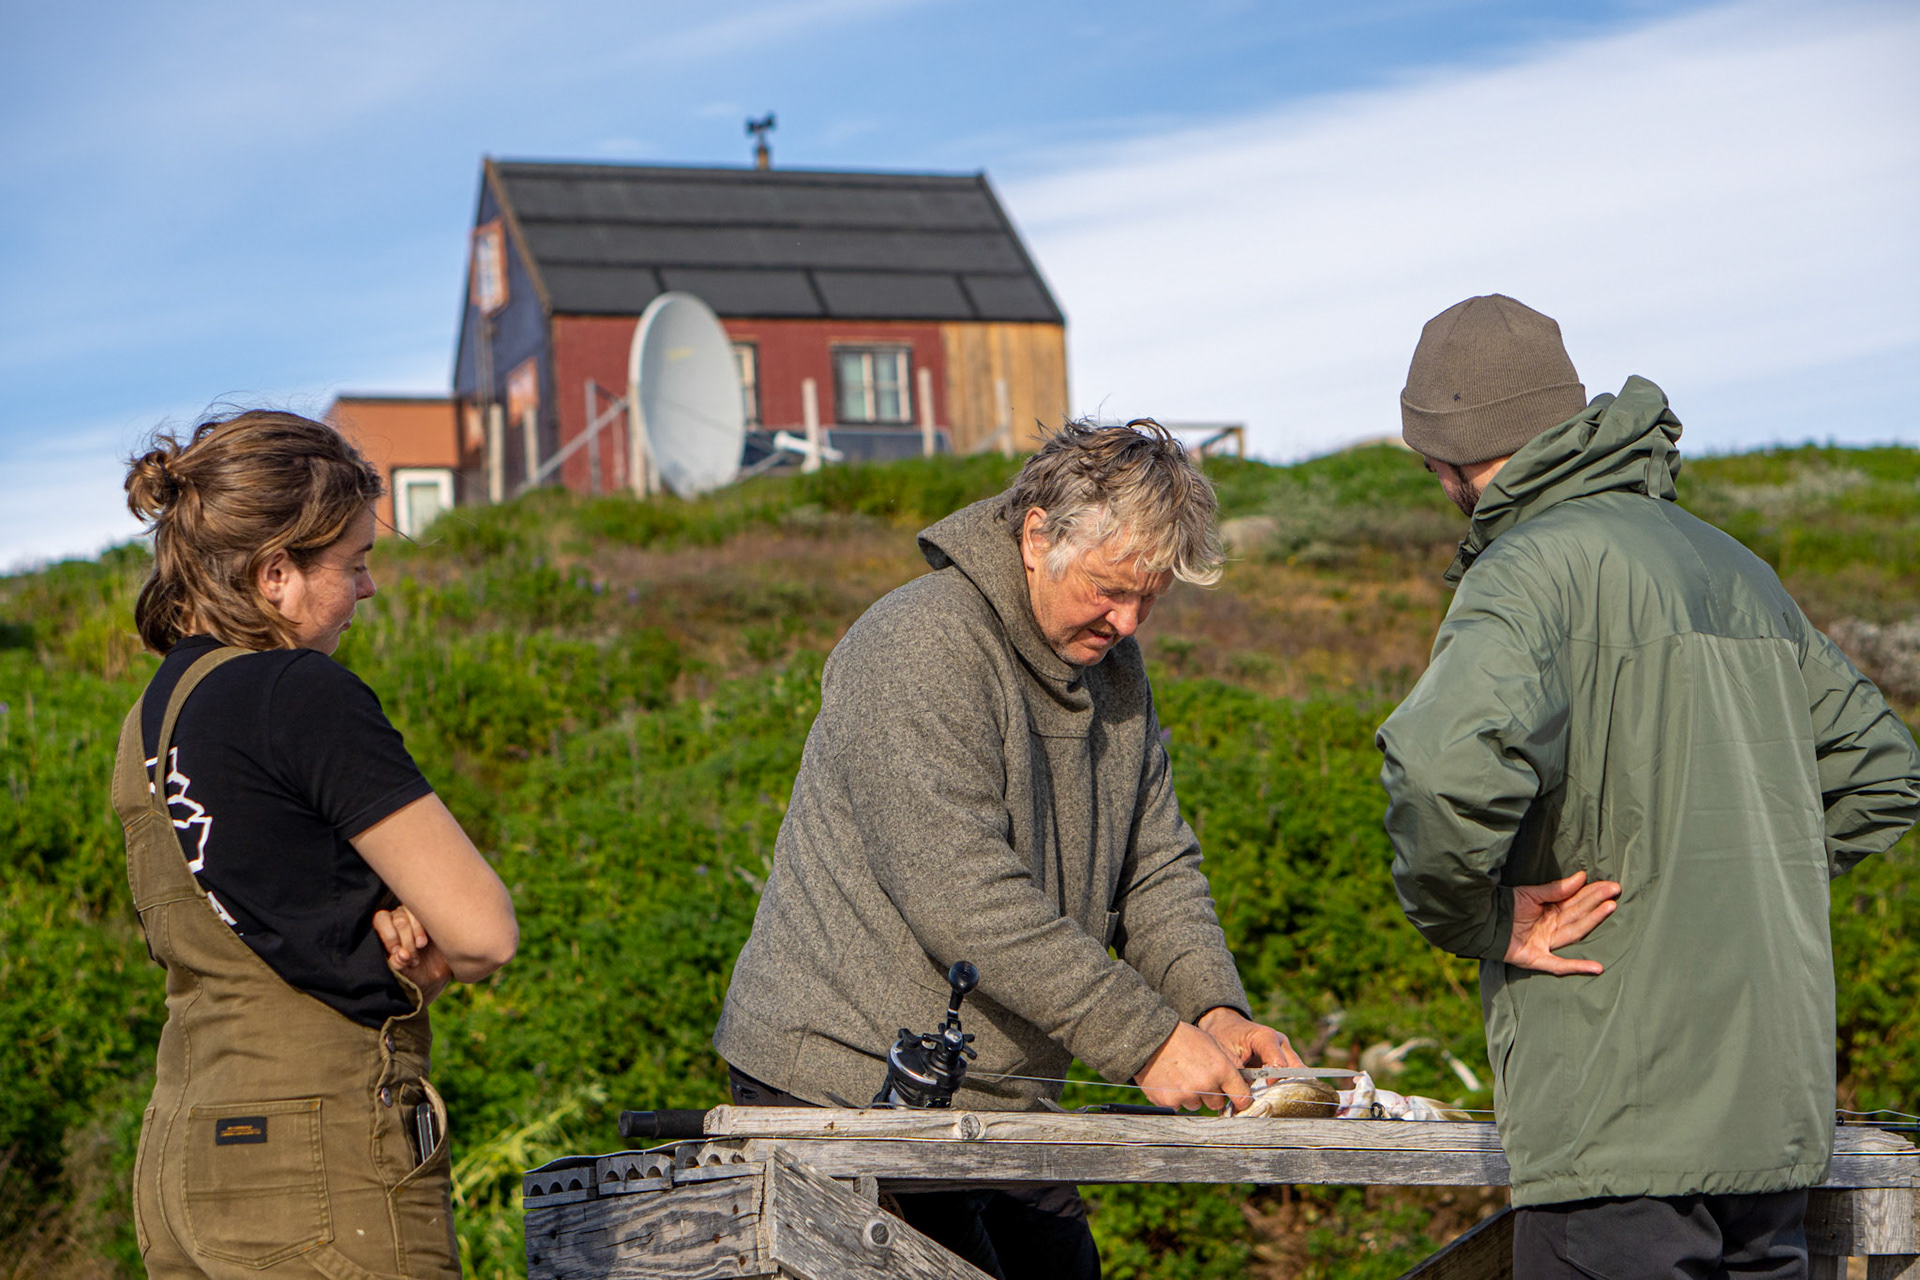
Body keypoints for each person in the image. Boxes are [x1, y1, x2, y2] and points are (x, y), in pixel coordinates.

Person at [1375, 295, 1920, 1278]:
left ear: (1444, 457)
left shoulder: (1525, 571)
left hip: (1617, 1116)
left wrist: (1476, 917)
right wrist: (1744, 876)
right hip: (1773, 1121)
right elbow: (1881, 769)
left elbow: (1441, 769)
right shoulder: (1733, 566)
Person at [714, 419, 1304, 1279]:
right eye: (1110, 589)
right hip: (838, 1091)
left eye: (1151, 597)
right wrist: (1146, 1040)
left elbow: (1157, 866)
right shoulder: (918, 646)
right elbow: (964, 899)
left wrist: (1213, 1009)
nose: (1129, 619)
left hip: (1004, 1103)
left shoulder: (1117, 669)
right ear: (1037, 537)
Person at [112, 410, 519, 1280]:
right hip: (315, 1164)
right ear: (276, 575)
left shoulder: (151, 717)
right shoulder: (300, 692)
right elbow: (484, 931)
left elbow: (258, 903)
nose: (367, 589)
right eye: (355, 563)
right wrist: (423, 947)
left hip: (183, 1153)